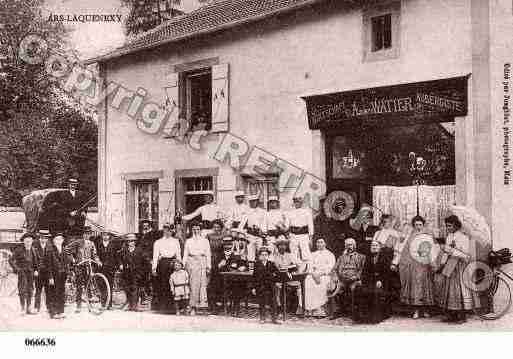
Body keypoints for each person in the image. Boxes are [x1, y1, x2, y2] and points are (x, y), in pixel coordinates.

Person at [439, 215, 479, 323]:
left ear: (456, 226)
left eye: (450, 226)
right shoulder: (449, 237)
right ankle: (452, 314)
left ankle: (461, 315)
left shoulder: (463, 237)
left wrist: (450, 250)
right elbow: (446, 253)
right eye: (447, 226)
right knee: (450, 290)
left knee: (460, 289)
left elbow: (465, 254)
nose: (448, 228)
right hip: (450, 265)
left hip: (460, 265)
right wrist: (442, 264)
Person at [398, 215, 435, 319]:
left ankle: (426, 310)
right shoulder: (411, 237)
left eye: (420, 224)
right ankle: (416, 310)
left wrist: (431, 261)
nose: (418, 227)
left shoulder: (428, 235)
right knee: (415, 287)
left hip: (425, 264)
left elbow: (432, 250)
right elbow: (406, 251)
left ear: (423, 225)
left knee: (425, 286)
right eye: (416, 225)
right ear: (413, 226)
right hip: (414, 265)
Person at [353, 240, 394, 324]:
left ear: (380, 248)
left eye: (376, 246)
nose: (374, 247)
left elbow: (387, 272)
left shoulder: (384, 257)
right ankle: (362, 317)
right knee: (359, 289)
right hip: (370, 280)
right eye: (372, 246)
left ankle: (376, 317)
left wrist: (381, 280)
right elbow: (365, 271)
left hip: (383, 281)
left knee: (375, 292)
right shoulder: (368, 257)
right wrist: (361, 280)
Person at [329, 237, 365, 319]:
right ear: (345, 246)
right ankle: (338, 311)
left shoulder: (361, 257)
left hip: (354, 280)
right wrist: (335, 278)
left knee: (354, 289)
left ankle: (354, 312)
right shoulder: (341, 257)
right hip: (342, 279)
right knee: (337, 292)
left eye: (351, 245)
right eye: (347, 245)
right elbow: (334, 269)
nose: (349, 247)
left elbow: (362, 270)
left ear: (354, 246)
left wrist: (356, 277)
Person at [67, 227, 100, 313]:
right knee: (79, 286)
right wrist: (73, 259)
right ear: (83, 234)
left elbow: (95, 254)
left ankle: (90, 305)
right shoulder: (78, 242)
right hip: (79, 267)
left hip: (88, 267)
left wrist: (97, 261)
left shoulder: (92, 244)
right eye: (85, 233)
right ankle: (78, 306)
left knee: (88, 285)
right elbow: (67, 250)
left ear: (90, 235)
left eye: (88, 233)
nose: (87, 235)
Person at [182, 221, 211, 315]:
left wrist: (208, 266)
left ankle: (202, 307)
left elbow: (208, 254)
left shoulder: (205, 241)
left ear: (200, 230)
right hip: (191, 262)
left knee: (203, 285)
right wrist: (183, 265)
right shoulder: (188, 241)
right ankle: (192, 306)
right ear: (191, 230)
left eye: (197, 229)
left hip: (202, 262)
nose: (196, 231)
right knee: (192, 285)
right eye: (194, 229)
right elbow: (185, 254)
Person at [152, 223, 181, 313]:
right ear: (163, 230)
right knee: (163, 285)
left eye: (169, 230)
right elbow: (155, 256)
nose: (167, 232)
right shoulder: (158, 242)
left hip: (172, 264)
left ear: (172, 231)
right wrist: (154, 268)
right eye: (166, 229)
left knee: (172, 284)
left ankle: (172, 307)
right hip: (162, 264)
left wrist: (179, 265)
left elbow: (178, 254)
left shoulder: (175, 241)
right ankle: (162, 307)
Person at [304, 238, 336, 317]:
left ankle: (319, 310)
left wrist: (320, 274)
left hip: (325, 275)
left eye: (321, 242)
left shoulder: (330, 254)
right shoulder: (313, 254)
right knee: (307, 281)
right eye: (317, 242)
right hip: (313, 274)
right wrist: (313, 274)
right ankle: (308, 309)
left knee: (321, 284)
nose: (319, 244)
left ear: (325, 244)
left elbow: (330, 268)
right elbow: (309, 266)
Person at [217, 236, 248, 317]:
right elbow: (214, 268)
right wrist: (219, 265)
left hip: (233, 281)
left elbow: (244, 265)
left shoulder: (236, 255)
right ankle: (221, 308)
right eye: (226, 245)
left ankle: (235, 308)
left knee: (237, 287)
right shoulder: (219, 255)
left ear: (232, 245)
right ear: (223, 245)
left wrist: (243, 267)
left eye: (229, 245)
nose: (227, 246)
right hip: (221, 281)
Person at [9, 233, 39, 315]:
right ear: (23, 241)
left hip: (31, 273)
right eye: (26, 241)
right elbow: (11, 260)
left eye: (30, 241)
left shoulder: (33, 250)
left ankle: (28, 308)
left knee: (30, 290)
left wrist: (36, 270)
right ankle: (22, 308)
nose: (28, 242)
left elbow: (36, 262)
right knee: (22, 289)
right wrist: (17, 269)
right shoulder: (19, 250)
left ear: (32, 241)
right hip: (22, 273)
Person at [273, 236, 303, 315]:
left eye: (284, 245)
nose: (282, 247)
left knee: (297, 285)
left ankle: (295, 308)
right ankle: (279, 306)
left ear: (286, 246)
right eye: (280, 245)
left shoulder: (290, 255)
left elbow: (298, 265)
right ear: (277, 246)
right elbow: (273, 267)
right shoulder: (274, 256)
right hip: (278, 277)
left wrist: (291, 268)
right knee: (276, 286)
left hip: (289, 277)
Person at [253, 246, 281, 324]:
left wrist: (274, 278)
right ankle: (262, 318)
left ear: (268, 256)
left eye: (266, 255)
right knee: (262, 303)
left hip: (270, 286)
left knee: (273, 303)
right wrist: (254, 288)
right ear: (259, 256)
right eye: (262, 255)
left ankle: (274, 318)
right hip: (261, 286)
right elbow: (254, 277)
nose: (264, 256)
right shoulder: (257, 264)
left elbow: (277, 274)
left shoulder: (271, 264)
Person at [47, 234, 72, 319]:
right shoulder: (50, 250)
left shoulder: (64, 250)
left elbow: (66, 263)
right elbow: (49, 265)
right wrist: (50, 277)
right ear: (54, 241)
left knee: (61, 293)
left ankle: (61, 311)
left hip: (62, 275)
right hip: (54, 275)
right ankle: (53, 313)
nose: (59, 241)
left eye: (60, 239)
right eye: (57, 239)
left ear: (62, 241)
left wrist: (67, 273)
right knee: (53, 293)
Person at [119, 233, 146, 311]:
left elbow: (144, 261)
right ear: (127, 242)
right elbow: (120, 259)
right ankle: (129, 303)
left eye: (132, 241)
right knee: (127, 288)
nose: (131, 243)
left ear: (135, 242)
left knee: (135, 288)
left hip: (136, 273)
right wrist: (121, 264)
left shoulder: (139, 250)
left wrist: (142, 271)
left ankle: (135, 305)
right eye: (129, 241)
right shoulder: (124, 251)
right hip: (127, 272)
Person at [238, 194, 266, 268]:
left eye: (255, 201)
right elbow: (241, 225)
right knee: (250, 254)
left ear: (258, 202)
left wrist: (263, 232)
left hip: (260, 235)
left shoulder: (263, 212)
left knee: (262, 253)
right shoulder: (247, 212)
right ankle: (251, 271)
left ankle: (263, 270)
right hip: (250, 235)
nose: (253, 203)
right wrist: (244, 234)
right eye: (251, 201)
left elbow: (264, 223)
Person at [207, 220, 229, 313]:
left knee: (219, 283)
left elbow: (227, 250)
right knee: (210, 283)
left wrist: (224, 260)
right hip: (210, 259)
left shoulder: (224, 237)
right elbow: (205, 248)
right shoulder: (208, 236)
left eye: (218, 227)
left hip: (220, 261)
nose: (216, 229)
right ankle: (212, 305)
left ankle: (220, 304)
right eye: (214, 227)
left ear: (221, 228)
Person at [288, 195, 313, 268]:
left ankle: (308, 268)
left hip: (303, 234)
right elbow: (288, 225)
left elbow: (310, 226)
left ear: (301, 203)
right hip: (293, 235)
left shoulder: (307, 212)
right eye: (295, 202)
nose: (297, 204)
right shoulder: (290, 212)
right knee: (293, 252)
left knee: (305, 252)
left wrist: (311, 238)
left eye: (298, 202)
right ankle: (295, 268)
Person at [95, 231, 118, 309]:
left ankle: (109, 305)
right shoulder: (98, 245)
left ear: (109, 236)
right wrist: (98, 261)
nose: (105, 236)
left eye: (107, 235)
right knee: (102, 286)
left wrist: (116, 266)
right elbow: (96, 255)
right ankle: (103, 304)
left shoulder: (113, 245)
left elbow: (116, 257)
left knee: (110, 286)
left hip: (110, 268)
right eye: (104, 235)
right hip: (101, 269)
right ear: (102, 236)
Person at [138, 219, 159, 303]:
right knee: (142, 279)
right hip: (142, 261)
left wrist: (152, 259)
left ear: (150, 226)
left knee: (154, 278)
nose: (145, 227)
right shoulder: (140, 236)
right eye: (144, 226)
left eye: (147, 226)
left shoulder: (154, 235)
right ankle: (143, 297)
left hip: (151, 260)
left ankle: (154, 298)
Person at [33, 229, 53, 314]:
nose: (43, 239)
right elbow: (33, 260)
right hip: (38, 272)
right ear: (39, 238)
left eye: (45, 238)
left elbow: (52, 262)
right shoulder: (35, 246)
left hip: (47, 273)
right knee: (38, 290)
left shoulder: (50, 247)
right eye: (41, 237)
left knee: (48, 291)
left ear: (47, 239)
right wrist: (35, 270)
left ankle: (49, 307)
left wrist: (51, 276)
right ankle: (36, 307)